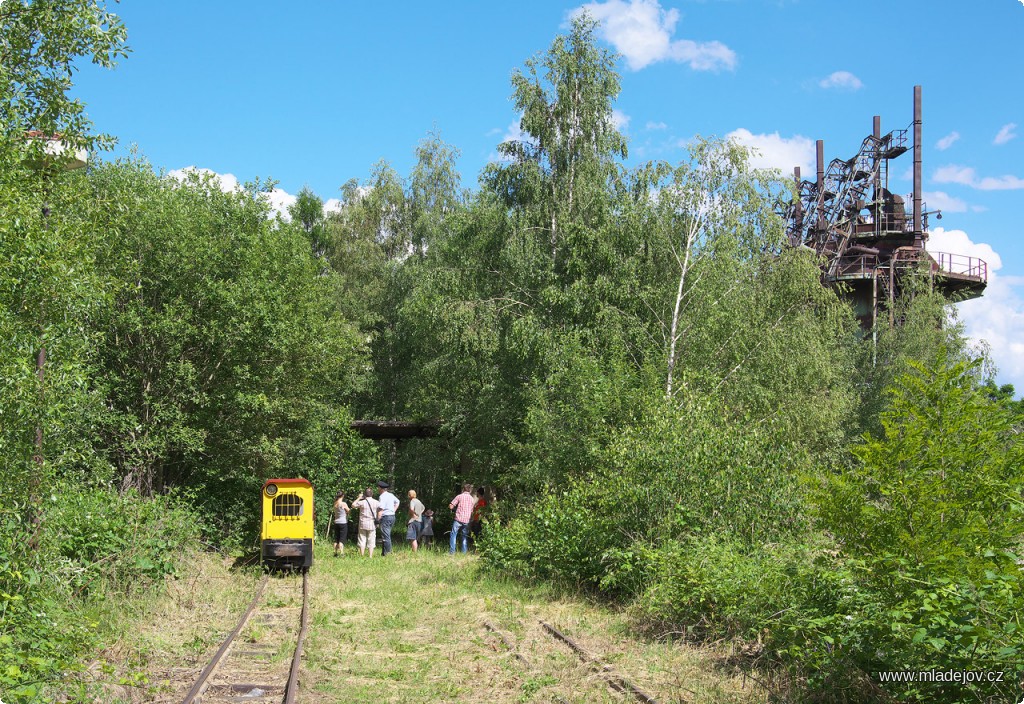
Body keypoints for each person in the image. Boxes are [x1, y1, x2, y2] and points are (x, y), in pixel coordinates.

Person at [448, 482, 477, 554]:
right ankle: (464, 552)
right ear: (470, 490)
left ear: (463, 489)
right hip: (467, 520)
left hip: (458, 519)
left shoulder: (459, 496)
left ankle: (452, 552)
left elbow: (451, 506)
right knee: (464, 536)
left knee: (453, 534)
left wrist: (452, 508)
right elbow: (472, 511)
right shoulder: (472, 499)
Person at [352, 487, 380, 557]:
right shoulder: (376, 502)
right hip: (372, 524)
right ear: (372, 494)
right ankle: (370, 556)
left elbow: (353, 505)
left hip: (363, 523)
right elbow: (381, 509)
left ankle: (362, 555)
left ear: (365, 494)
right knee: (371, 539)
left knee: (362, 539)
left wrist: (359, 497)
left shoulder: (362, 502)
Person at [375, 480, 400, 556]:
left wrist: (378, 519)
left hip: (385, 517)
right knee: (386, 534)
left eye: (378, 487)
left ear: (380, 488)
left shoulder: (382, 497)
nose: (377, 489)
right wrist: (393, 510)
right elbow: (398, 501)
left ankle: (387, 553)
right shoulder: (390, 495)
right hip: (392, 516)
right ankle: (384, 552)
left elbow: (381, 509)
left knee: (386, 535)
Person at [331, 491, 349, 557]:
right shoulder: (343, 504)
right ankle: (341, 553)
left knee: (336, 538)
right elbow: (348, 510)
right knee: (342, 538)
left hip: (336, 522)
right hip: (343, 522)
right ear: (343, 496)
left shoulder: (335, 503)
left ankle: (335, 552)